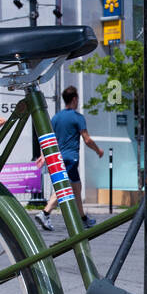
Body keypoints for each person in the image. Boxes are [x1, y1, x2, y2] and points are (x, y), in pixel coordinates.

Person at [38, 85, 104, 231]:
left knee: (76, 188)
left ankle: (83, 219)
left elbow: (48, 139)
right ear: (74, 99)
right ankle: (45, 212)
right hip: (70, 158)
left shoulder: (56, 118)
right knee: (66, 188)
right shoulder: (77, 117)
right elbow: (87, 140)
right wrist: (98, 150)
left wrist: (43, 156)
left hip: (58, 159)